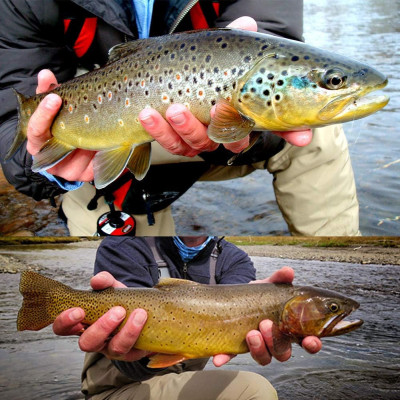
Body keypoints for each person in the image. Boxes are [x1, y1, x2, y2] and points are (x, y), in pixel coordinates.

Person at [0, 0, 359, 236]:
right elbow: (7, 120)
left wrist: (234, 136)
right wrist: (45, 162)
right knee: (126, 309)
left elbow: (279, 70)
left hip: (221, 129)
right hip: (103, 139)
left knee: (315, 131)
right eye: (337, 79)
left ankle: (339, 272)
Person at [53, 236, 323, 399]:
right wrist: (141, 353)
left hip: (184, 384)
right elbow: (130, 365)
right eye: (330, 309)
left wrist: (261, 306)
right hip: (117, 389)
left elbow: (241, 301)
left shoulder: (234, 260)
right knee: (255, 392)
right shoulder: (124, 243)